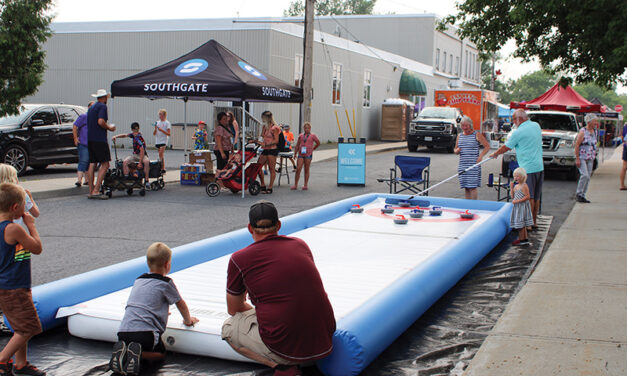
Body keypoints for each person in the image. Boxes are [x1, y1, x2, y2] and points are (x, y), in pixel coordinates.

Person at [222, 201, 335, 376]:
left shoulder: (240, 259)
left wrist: (258, 311)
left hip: (287, 348)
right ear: (279, 225)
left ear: (250, 228)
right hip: (324, 340)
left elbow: (233, 309)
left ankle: (281, 367)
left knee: (229, 328)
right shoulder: (300, 245)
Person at [110, 242, 198, 376]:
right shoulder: (166, 283)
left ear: (147, 262)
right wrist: (188, 320)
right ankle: (138, 355)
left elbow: (144, 303)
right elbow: (180, 304)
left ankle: (124, 352)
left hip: (123, 332)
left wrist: (161, 311)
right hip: (145, 335)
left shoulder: (139, 280)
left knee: (134, 343)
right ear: (167, 264)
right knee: (160, 354)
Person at [0, 183, 45, 376]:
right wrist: (31, 225)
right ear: (15, 208)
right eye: (23, 204)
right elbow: (36, 248)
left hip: (8, 285)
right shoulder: (13, 229)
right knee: (29, 328)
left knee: (20, 326)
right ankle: (2, 360)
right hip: (14, 287)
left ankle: (21, 363)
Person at [491, 109, 543, 230]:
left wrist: (496, 153)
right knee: (536, 196)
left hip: (527, 168)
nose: (513, 122)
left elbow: (507, 147)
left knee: (528, 196)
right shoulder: (536, 125)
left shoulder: (518, 132)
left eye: (514, 119)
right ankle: (534, 222)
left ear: (519, 119)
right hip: (539, 166)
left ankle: (528, 224)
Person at [86, 89, 116, 200]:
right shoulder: (102, 107)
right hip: (99, 139)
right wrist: (110, 128)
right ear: (104, 97)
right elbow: (101, 121)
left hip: (90, 138)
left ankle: (91, 189)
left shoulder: (91, 108)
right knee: (105, 164)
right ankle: (96, 189)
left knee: (92, 163)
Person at [454, 116, 490, 199]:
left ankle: (473, 207)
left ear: (471, 125)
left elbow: (487, 146)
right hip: (462, 165)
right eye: (463, 126)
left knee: (472, 187)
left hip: (473, 164)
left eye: (466, 126)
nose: (464, 128)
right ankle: (467, 207)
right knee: (466, 187)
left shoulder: (476, 134)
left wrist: (480, 156)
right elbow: (455, 149)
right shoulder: (460, 136)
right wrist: (456, 151)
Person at [112, 122, 151, 190]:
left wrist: (140, 162)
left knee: (147, 162)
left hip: (142, 155)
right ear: (132, 130)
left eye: (136, 130)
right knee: (125, 162)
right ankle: (126, 179)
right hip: (135, 154)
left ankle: (147, 181)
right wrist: (116, 136)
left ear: (138, 129)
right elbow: (125, 135)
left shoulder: (139, 138)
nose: (135, 132)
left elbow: (142, 150)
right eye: (134, 130)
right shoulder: (133, 135)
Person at [574, 114, 599, 203]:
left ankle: (583, 195)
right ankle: (578, 193)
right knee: (584, 175)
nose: (596, 123)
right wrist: (577, 158)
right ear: (589, 122)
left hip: (590, 156)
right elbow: (577, 145)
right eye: (594, 121)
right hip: (582, 156)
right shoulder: (583, 132)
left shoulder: (594, 131)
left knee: (588, 177)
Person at [256, 111, 281, 194]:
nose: (262, 119)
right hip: (265, 148)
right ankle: (262, 184)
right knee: (258, 166)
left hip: (272, 149)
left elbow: (276, 140)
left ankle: (270, 187)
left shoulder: (275, 128)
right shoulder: (264, 127)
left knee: (271, 168)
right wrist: (259, 141)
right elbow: (262, 136)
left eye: (263, 118)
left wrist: (267, 143)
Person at [291, 122, 320, 191]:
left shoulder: (313, 136)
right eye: (305, 128)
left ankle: (305, 184)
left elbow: (318, 143)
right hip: (301, 154)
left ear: (310, 128)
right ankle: (295, 184)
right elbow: (297, 145)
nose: (307, 129)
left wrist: (313, 149)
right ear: (303, 128)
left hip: (308, 154)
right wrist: (295, 153)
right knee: (298, 169)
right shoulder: (301, 136)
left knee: (306, 169)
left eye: (308, 128)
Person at [72, 101, 94, 187]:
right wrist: (75, 138)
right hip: (84, 143)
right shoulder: (84, 116)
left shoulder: (95, 118)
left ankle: (87, 180)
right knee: (83, 161)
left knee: (89, 162)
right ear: (88, 107)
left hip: (92, 144)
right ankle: (79, 180)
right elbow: (75, 126)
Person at [510, 167, 533, 246]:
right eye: (515, 176)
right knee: (520, 223)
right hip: (517, 207)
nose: (516, 178)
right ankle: (524, 239)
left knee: (521, 225)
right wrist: (511, 188)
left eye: (518, 176)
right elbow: (513, 196)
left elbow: (527, 196)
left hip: (522, 207)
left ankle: (522, 240)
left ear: (523, 177)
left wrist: (517, 201)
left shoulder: (524, 186)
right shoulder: (516, 187)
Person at [621, 122, 627, 191]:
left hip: (625, 146)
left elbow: (622, 138)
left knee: (624, 167)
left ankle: (622, 185)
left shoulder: (625, 126)